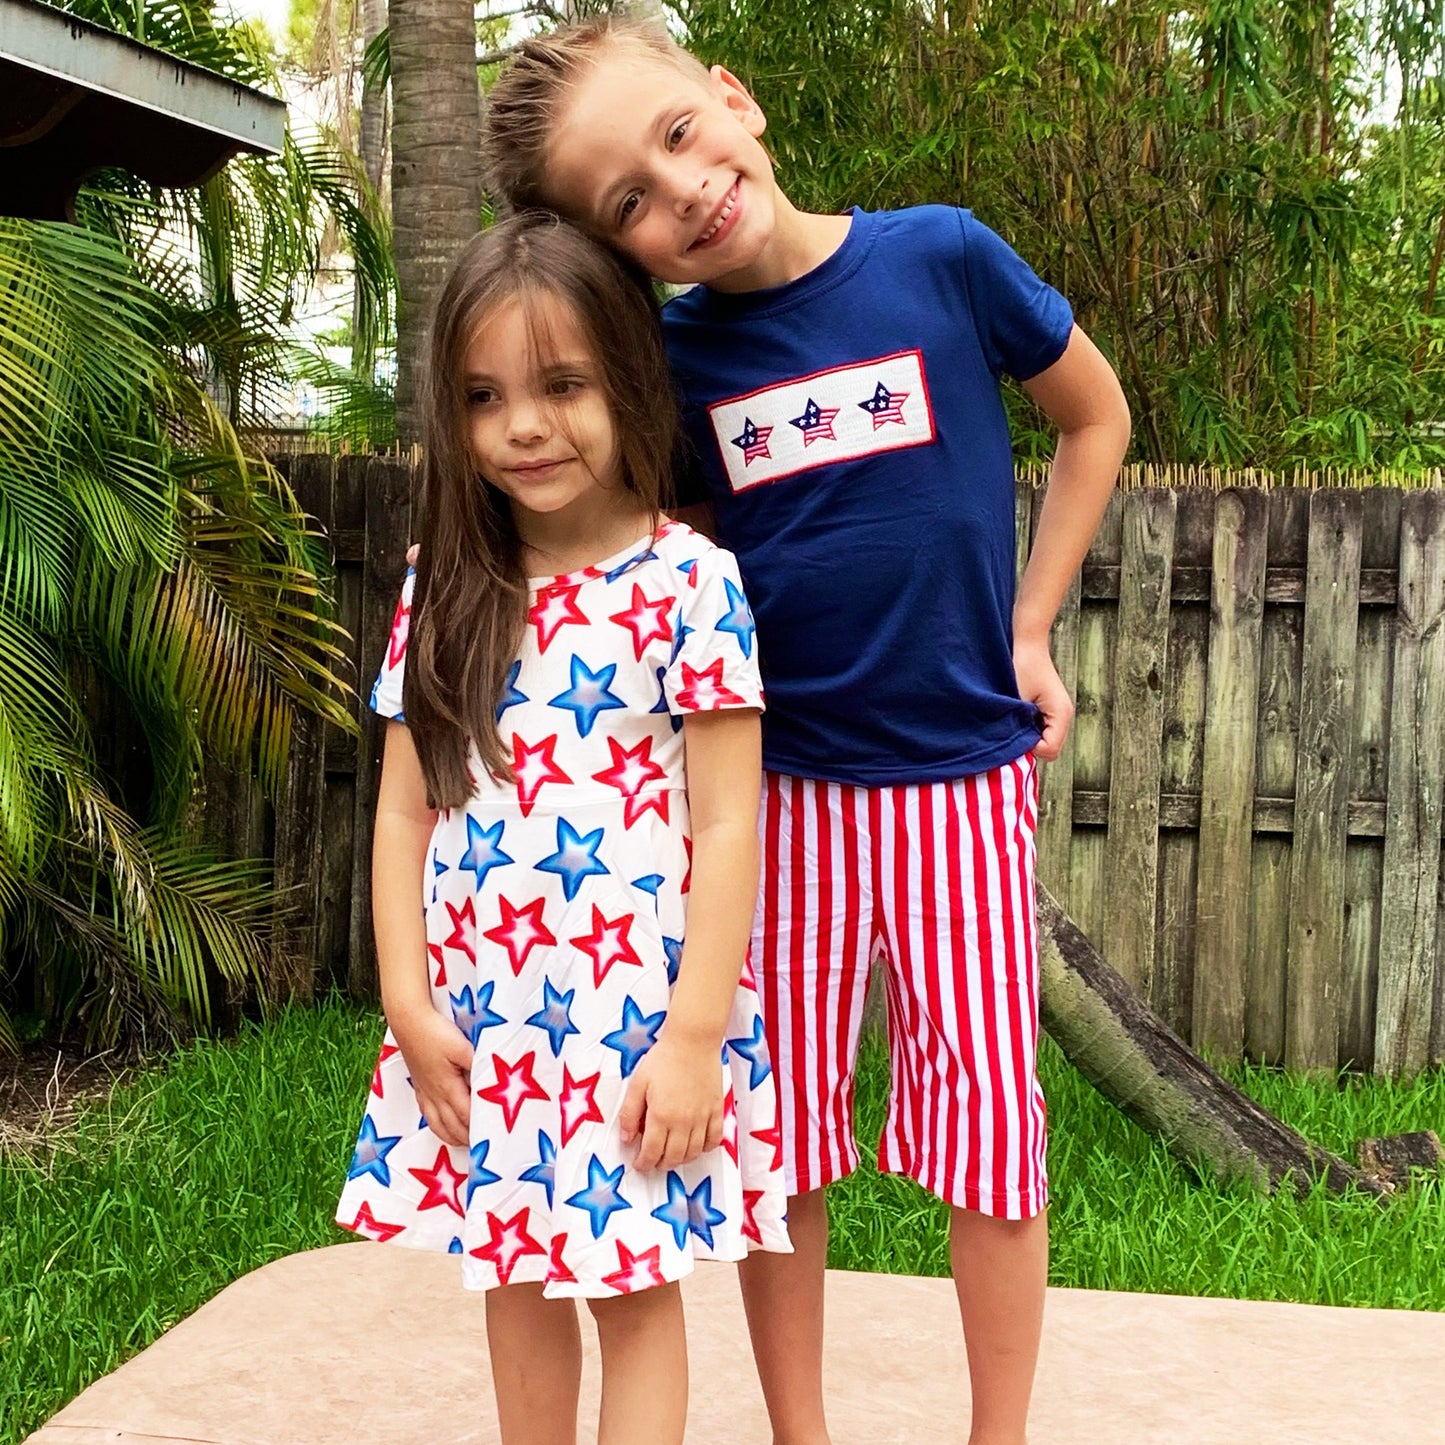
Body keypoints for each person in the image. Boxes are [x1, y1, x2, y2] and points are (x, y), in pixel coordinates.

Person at [481, 18, 1132, 1445]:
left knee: (992, 1136)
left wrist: (1028, 627)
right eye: (629, 200)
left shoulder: (941, 257)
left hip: (964, 789)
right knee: (777, 1144)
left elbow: (1095, 417)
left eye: (677, 135)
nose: (681, 189)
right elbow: (664, 575)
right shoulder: (668, 371)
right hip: (774, 809)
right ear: (615, 250)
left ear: (732, 98)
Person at [334, 211, 791, 1445]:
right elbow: (401, 810)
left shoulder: (688, 581)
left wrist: (693, 1035)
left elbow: (729, 824)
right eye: (483, 397)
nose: (522, 425)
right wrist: (405, 1001)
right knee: (514, 1279)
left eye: (562, 385)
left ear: (629, 378)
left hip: (633, 1024)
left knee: (632, 1292)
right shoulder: (446, 584)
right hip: (481, 1018)